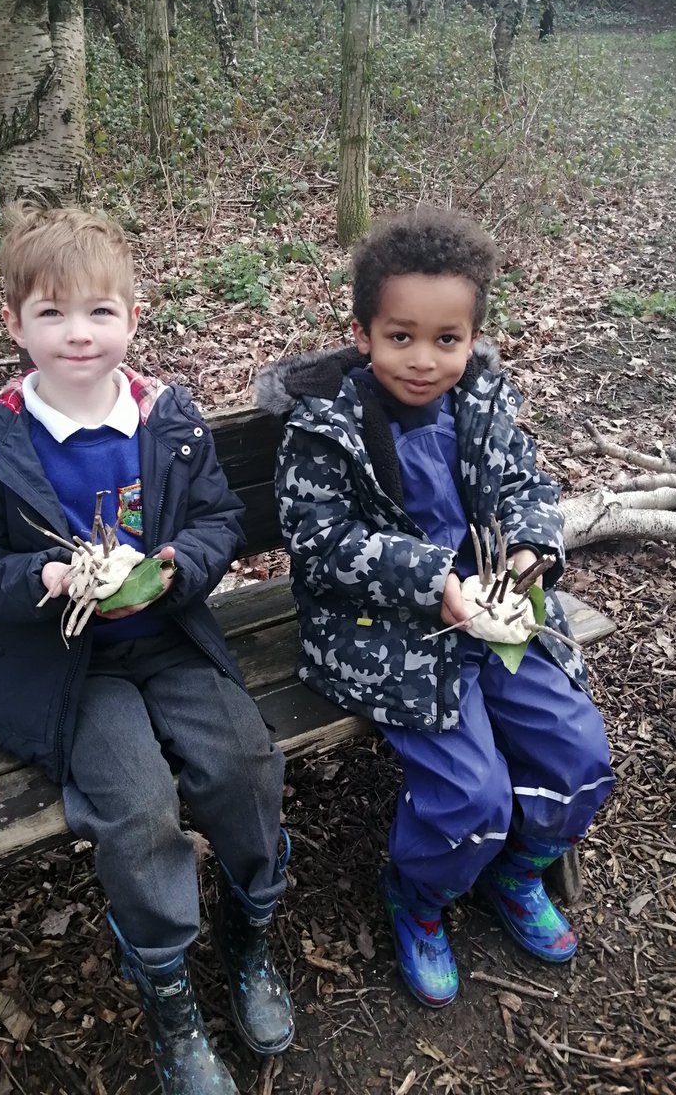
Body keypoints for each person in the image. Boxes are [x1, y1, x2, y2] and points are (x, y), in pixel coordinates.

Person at [0, 204, 293, 1094]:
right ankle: (169, 989)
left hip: (164, 634)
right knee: (137, 803)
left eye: (98, 312)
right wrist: (41, 580)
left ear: (133, 318)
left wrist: (179, 567)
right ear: (15, 325)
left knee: (243, 764)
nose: (77, 333)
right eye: (51, 313)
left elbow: (216, 520)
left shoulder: (165, 419)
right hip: (64, 666)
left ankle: (251, 933)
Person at [255, 205, 614, 1008]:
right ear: (363, 333)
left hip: (492, 612)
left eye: (446, 340)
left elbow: (527, 488)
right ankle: (419, 900)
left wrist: (527, 553)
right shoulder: (325, 427)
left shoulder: (482, 400)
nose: (424, 360)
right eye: (401, 337)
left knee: (576, 755)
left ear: (472, 338)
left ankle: (516, 873)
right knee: (470, 796)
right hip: (385, 633)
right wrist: (432, 582)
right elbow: (321, 546)